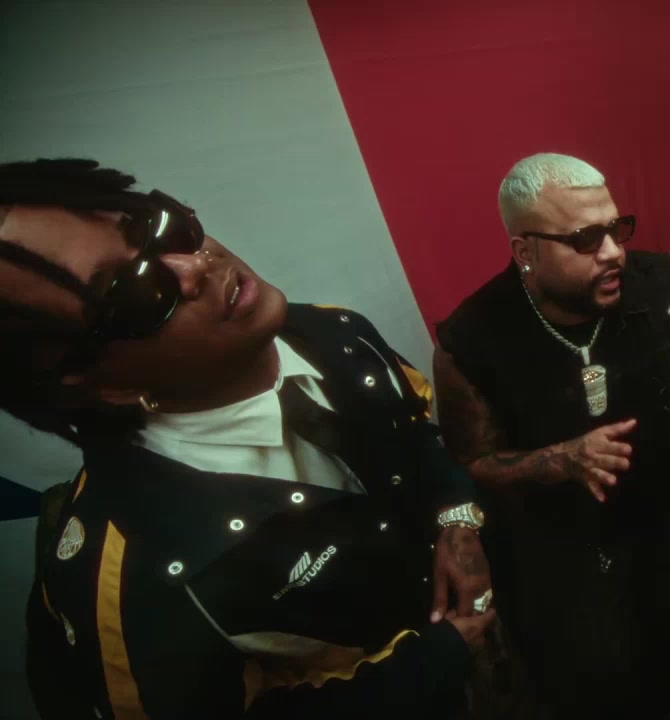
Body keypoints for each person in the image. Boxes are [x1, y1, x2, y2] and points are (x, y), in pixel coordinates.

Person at [5, 159, 494, 720]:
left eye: (159, 225)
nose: (196, 265)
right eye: (134, 293)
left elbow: (416, 439)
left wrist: (457, 518)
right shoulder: (131, 582)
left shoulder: (337, 333)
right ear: (104, 383)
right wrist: (436, 659)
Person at [433, 152, 670, 718]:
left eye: (616, 229)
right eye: (585, 239)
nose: (614, 252)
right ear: (525, 252)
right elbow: (471, 461)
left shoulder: (654, 280)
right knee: (603, 687)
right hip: (566, 556)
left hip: (663, 525)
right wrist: (561, 459)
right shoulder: (472, 338)